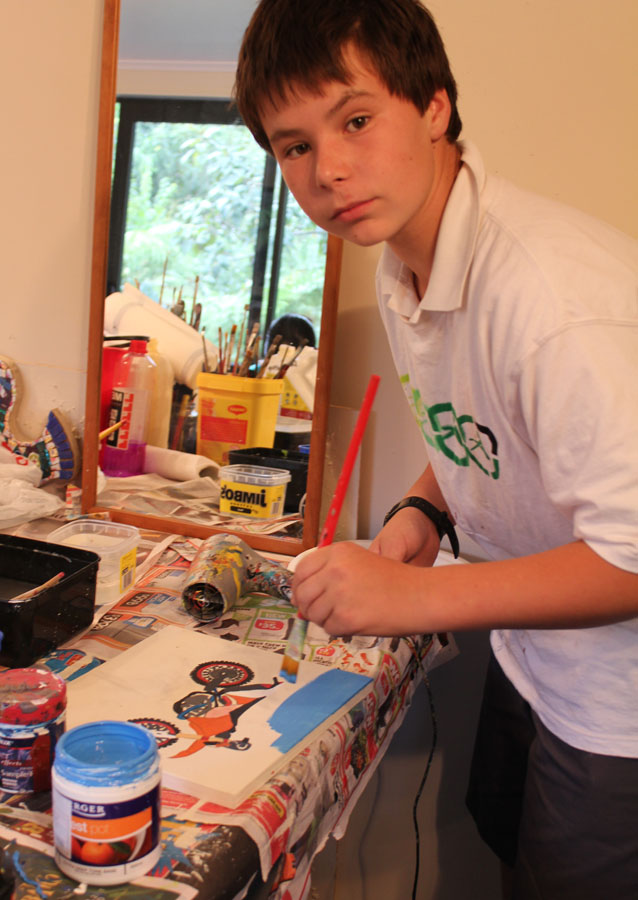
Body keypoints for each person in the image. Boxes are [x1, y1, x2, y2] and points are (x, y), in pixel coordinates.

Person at [234, 2, 638, 898]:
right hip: (535, 659)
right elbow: (483, 422)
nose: (328, 171)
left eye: (356, 120)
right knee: (509, 859)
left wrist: (417, 596)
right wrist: (424, 506)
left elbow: (633, 554)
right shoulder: (403, 264)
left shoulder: (555, 302)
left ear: (434, 106)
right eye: (295, 146)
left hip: (620, 714)